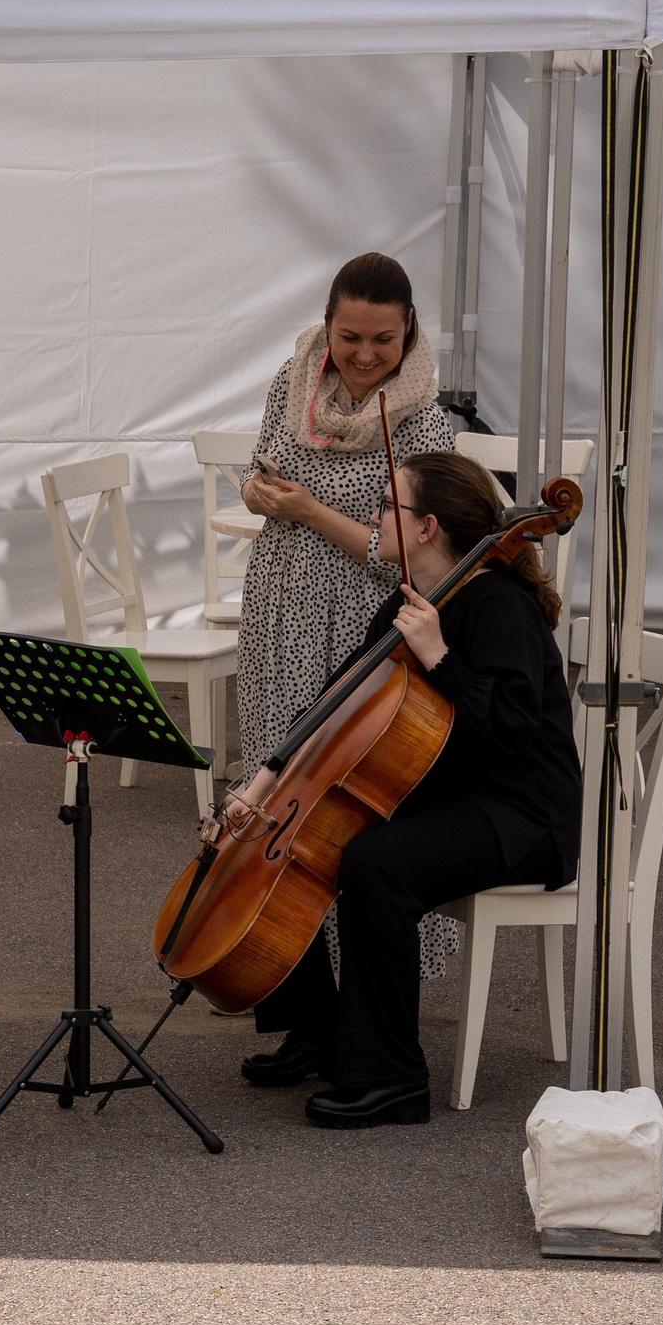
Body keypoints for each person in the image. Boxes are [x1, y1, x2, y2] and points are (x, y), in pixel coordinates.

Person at [222, 452, 579, 1127]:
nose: (374, 517)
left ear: (427, 527)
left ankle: (392, 1078)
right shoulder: (409, 601)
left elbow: (510, 729)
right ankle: (321, 1028)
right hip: (453, 793)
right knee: (296, 833)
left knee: (376, 864)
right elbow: (339, 702)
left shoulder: (498, 604)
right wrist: (263, 782)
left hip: (521, 813)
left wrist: (439, 655)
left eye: (389, 505)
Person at [232, 251, 458, 1081]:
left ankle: (363, 1018)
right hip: (282, 608)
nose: (364, 356)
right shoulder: (294, 383)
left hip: (361, 620)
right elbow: (262, 473)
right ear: (328, 326)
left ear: (409, 333)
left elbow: (406, 552)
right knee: (280, 810)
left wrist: (303, 509)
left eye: (382, 340)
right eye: (350, 337)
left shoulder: (427, 419)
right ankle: (302, 1018)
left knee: (346, 812)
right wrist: (261, 496)